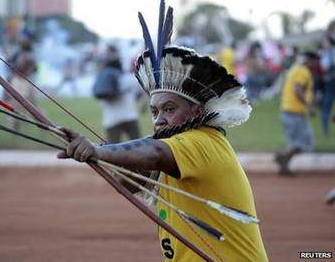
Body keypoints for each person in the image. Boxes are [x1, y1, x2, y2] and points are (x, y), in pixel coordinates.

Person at [58, 44, 268, 261]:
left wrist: (98, 151)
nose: (159, 120)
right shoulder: (171, 149)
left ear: (196, 112)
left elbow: (155, 152)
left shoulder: (201, 140)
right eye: (154, 111)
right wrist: (100, 156)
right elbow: (127, 183)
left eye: (169, 109)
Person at [275, 51, 317, 176]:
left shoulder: (294, 69)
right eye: (314, 60)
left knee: (302, 142)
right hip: (294, 112)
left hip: (289, 111)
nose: (315, 63)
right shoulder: (303, 71)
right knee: (302, 143)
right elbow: (298, 89)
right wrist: (308, 106)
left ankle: (284, 161)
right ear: (310, 60)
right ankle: (283, 159)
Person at [93, 45, 141, 143]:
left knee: (112, 152)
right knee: (139, 146)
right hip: (129, 116)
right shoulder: (128, 78)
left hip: (111, 119)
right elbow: (139, 91)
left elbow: (100, 100)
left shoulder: (101, 80)